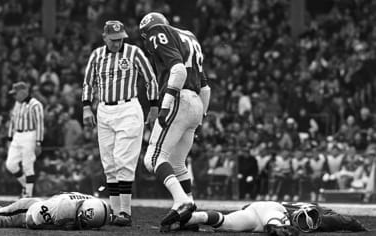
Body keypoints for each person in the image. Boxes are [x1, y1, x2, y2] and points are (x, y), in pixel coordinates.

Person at [138, 12, 211, 232]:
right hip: (197, 102)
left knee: (152, 158)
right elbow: (206, 87)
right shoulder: (189, 36)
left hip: (179, 98)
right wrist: (199, 119)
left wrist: (167, 102)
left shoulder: (157, 32)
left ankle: (182, 201)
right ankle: (191, 215)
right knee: (178, 163)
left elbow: (177, 69)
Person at [82, 20, 158, 226]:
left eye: (120, 39)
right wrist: (87, 107)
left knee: (123, 159)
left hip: (128, 108)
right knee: (109, 163)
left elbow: (150, 78)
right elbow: (88, 82)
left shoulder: (134, 53)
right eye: (114, 39)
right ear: (105, 37)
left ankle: (125, 211)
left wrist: (153, 106)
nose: (117, 43)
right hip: (104, 109)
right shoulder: (97, 56)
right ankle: (116, 212)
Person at [179, 201, 367, 234]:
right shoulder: (322, 218)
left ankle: (193, 217)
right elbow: (347, 221)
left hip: (256, 212)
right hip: (272, 209)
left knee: (226, 222)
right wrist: (361, 228)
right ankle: (276, 227)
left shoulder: (320, 218)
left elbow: (346, 221)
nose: (304, 222)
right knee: (277, 223)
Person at [0, 192, 110, 230]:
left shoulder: (93, 202)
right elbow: (31, 221)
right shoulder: (62, 209)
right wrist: (58, 227)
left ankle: (2, 209)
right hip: (27, 211)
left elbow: (104, 211)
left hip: (40, 204)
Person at [6, 81, 44, 198]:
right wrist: (9, 137)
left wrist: (38, 142)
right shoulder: (17, 104)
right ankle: (25, 186)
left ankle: (28, 194)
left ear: (23, 92)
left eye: (15, 93)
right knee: (10, 164)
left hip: (29, 135)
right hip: (17, 135)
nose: (14, 96)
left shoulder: (36, 104)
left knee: (28, 165)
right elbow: (13, 120)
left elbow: (39, 124)